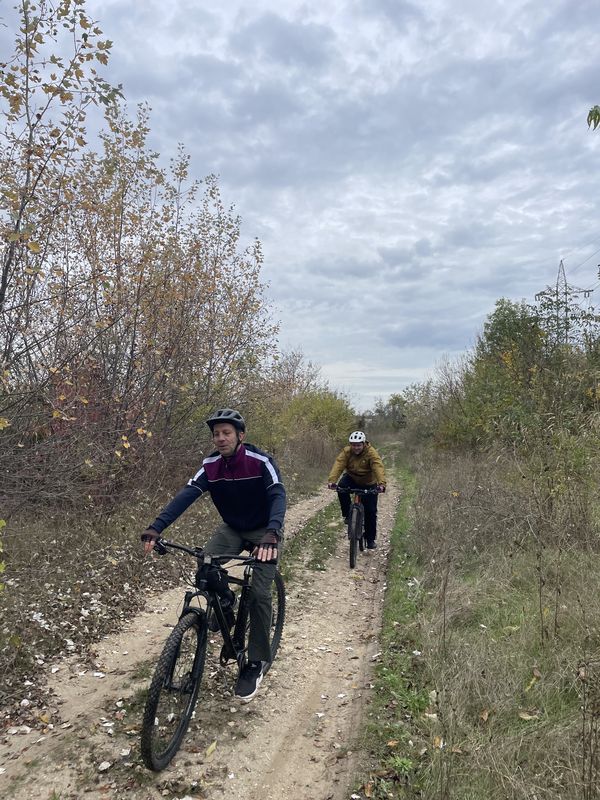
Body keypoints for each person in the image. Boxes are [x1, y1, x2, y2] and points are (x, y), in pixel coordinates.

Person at [141, 408, 286, 703]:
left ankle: (255, 663)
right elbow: (187, 494)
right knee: (206, 563)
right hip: (232, 528)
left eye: (226, 433)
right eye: (216, 434)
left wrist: (273, 532)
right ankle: (226, 603)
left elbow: (277, 494)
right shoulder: (210, 465)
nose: (220, 438)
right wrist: (157, 527)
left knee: (259, 594)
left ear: (240, 436)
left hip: (264, 530)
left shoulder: (260, 461)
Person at [327, 430, 386, 549]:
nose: (356, 447)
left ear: (363, 444)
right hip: (352, 478)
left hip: (368, 482)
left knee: (370, 511)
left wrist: (381, 484)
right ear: (350, 445)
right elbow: (339, 465)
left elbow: (378, 467)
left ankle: (370, 540)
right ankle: (348, 515)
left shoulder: (371, 453)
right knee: (341, 487)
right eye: (353, 445)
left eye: (358, 445)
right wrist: (332, 480)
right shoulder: (346, 452)